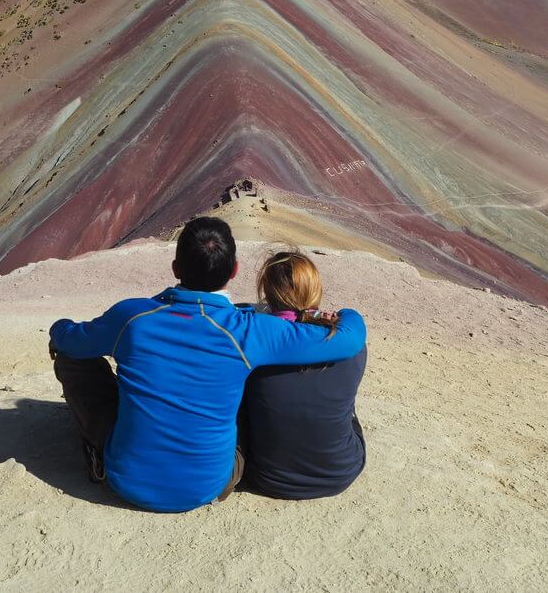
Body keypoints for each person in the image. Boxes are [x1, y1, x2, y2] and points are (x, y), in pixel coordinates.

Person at [48, 218, 366, 512]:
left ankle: (102, 450)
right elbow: (349, 338)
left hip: (126, 481)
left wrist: (59, 327)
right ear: (234, 271)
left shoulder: (132, 317)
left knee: (72, 357)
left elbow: (70, 340)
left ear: (175, 268)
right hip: (210, 484)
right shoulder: (249, 330)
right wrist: (345, 314)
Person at [237, 250, 367, 499]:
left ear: (267, 292)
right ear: (315, 291)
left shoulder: (253, 346)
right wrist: (328, 317)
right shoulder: (354, 347)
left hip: (269, 478)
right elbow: (350, 318)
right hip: (340, 472)